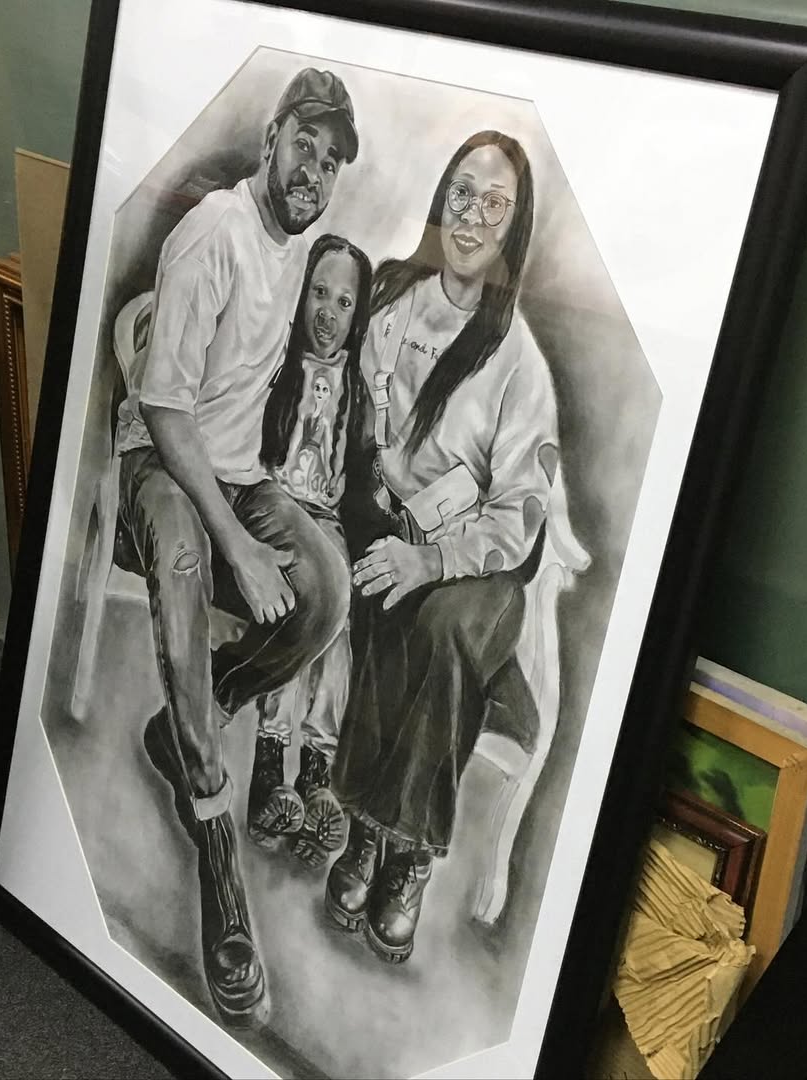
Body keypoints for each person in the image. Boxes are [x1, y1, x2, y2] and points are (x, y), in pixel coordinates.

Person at [113, 68, 358, 1023]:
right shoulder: (213, 232)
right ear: (271, 137)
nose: (314, 171)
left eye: (331, 161)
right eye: (305, 145)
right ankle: (219, 865)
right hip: (162, 462)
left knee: (327, 590)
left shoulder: (295, 249)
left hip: (241, 474)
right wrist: (238, 547)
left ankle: (188, 722)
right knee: (184, 567)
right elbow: (166, 409)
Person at [326, 130, 562, 964]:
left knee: (444, 625)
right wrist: (391, 521)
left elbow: (519, 516)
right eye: (461, 193)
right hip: (391, 521)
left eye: (494, 205)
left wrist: (432, 557)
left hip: (485, 567)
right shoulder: (393, 304)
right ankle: (366, 827)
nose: (471, 217)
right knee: (379, 591)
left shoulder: (519, 362)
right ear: (440, 200)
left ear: (513, 228)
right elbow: (361, 432)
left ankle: (407, 854)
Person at [245, 234, 373, 869]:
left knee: (340, 615)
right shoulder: (277, 362)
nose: (328, 312)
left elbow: (364, 469)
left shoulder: (358, 387)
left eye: (344, 302)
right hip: (276, 503)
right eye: (319, 293)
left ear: (358, 315)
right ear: (301, 297)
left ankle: (316, 769)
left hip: (327, 516)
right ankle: (271, 762)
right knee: (305, 603)